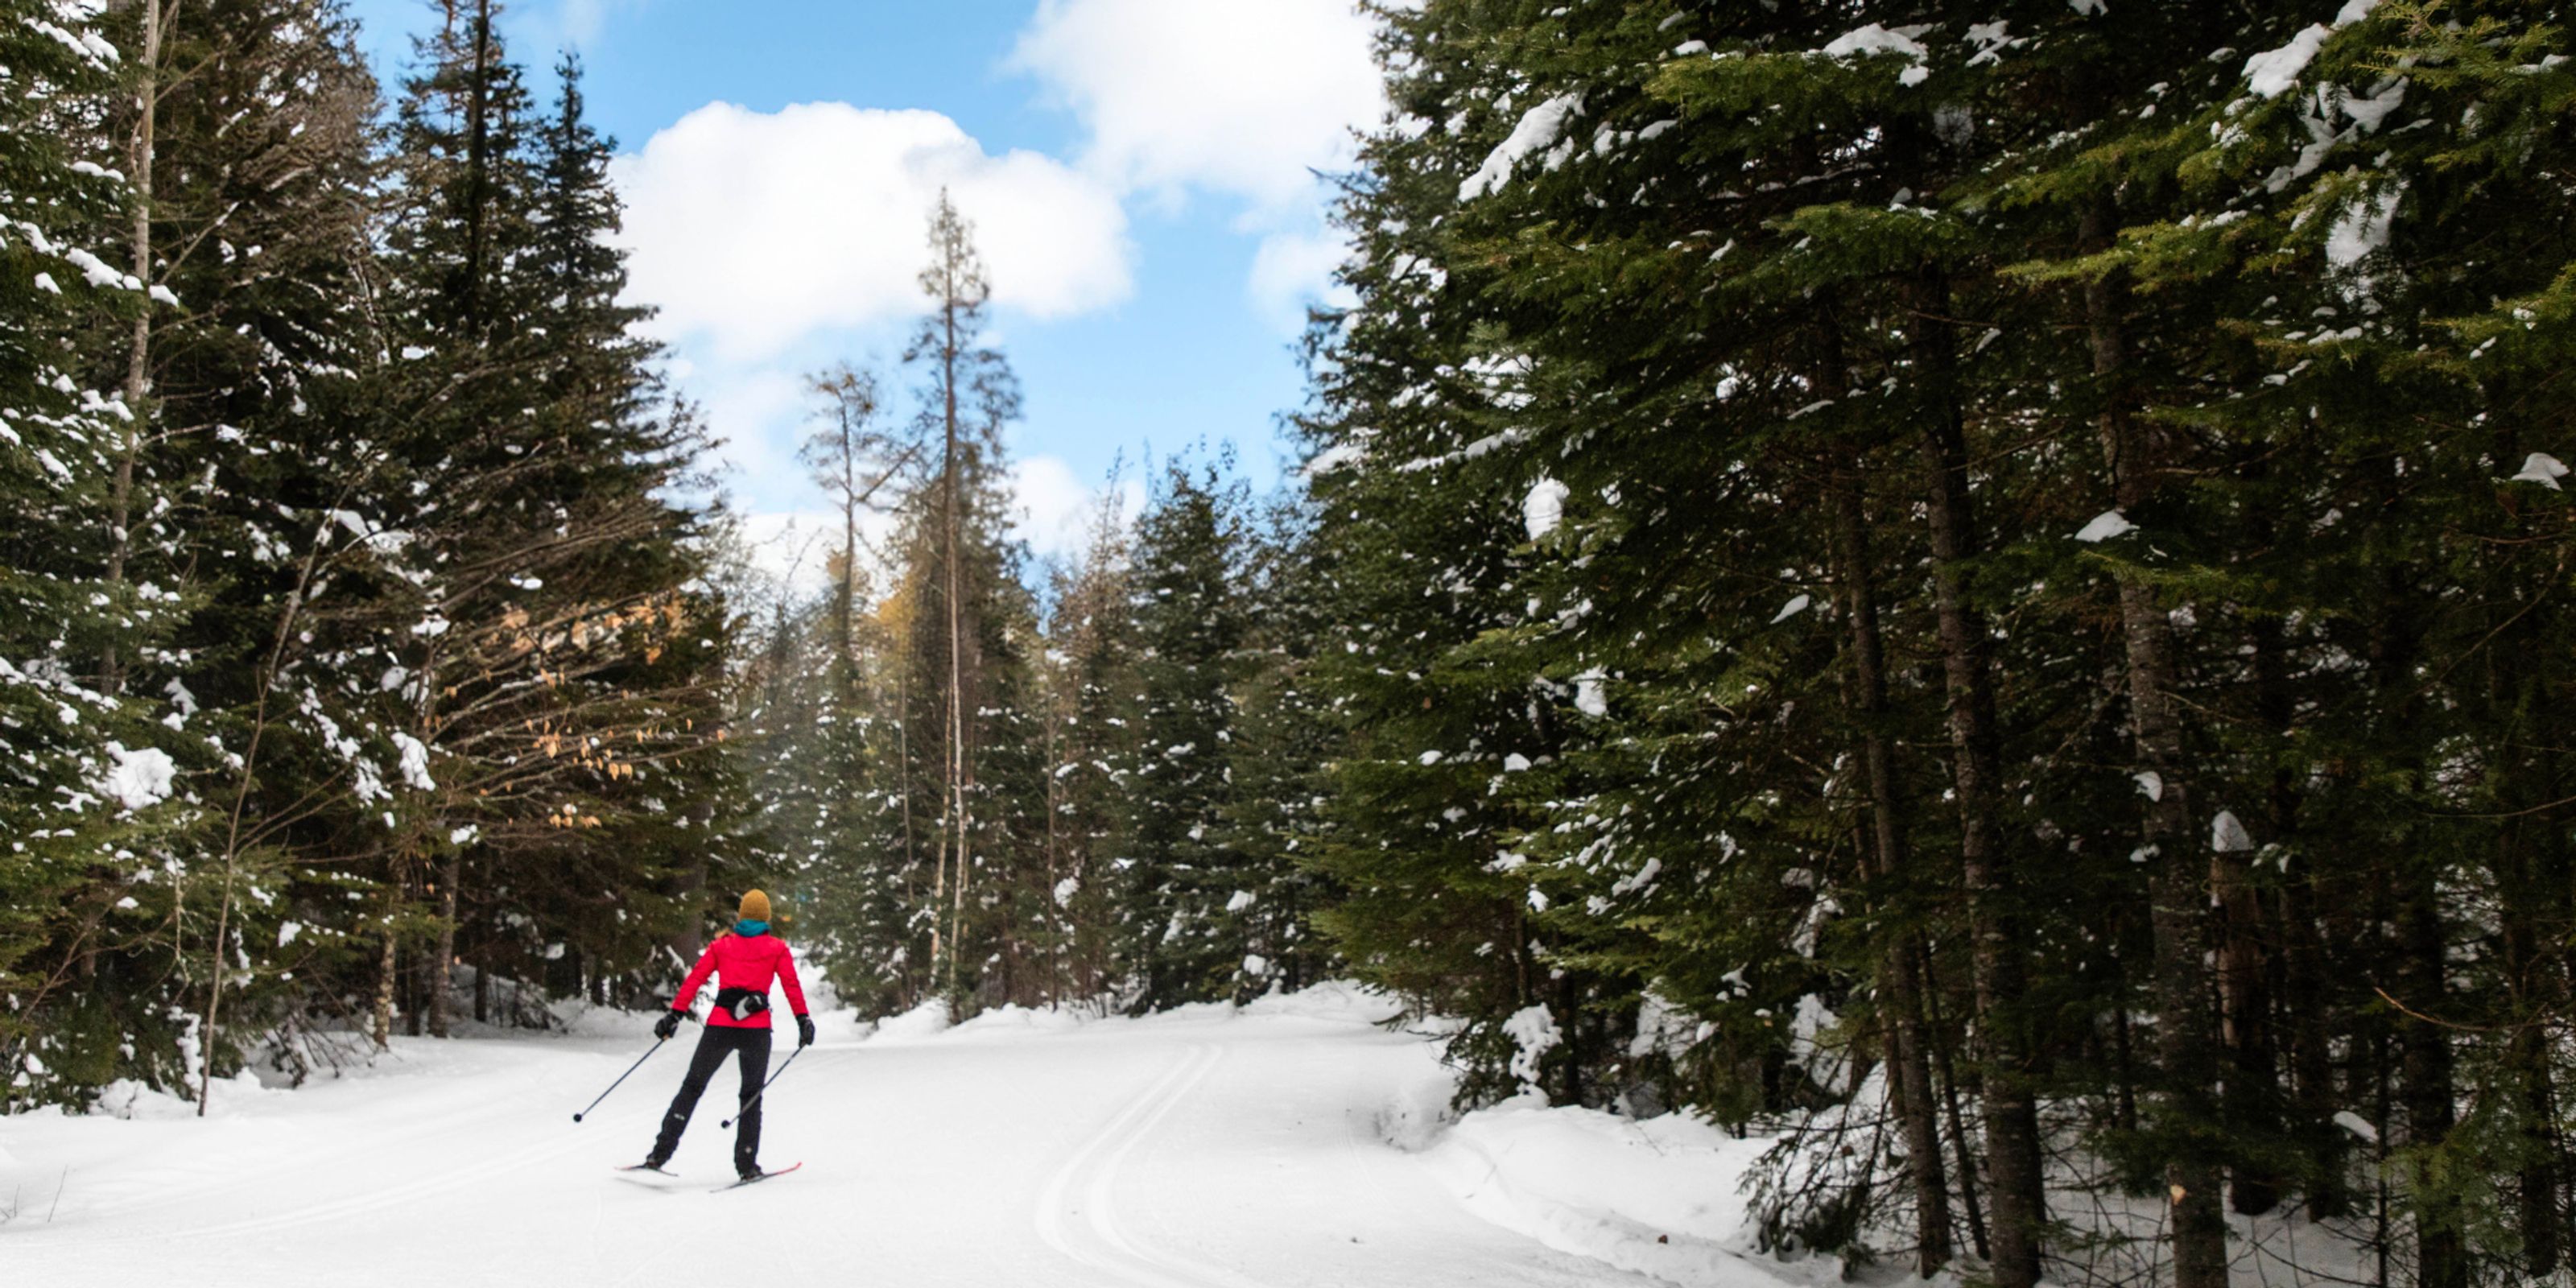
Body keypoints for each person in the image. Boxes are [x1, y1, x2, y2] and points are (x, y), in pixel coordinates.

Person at [641, 890, 815, 1179]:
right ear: (767, 917)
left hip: (720, 1027)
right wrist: (803, 1020)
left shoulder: (722, 947)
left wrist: (675, 1014)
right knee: (751, 1096)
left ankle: (659, 1155)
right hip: (756, 1031)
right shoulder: (776, 949)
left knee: (692, 1087)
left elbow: (695, 978)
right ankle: (746, 1167)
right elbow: (790, 986)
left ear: (742, 915)